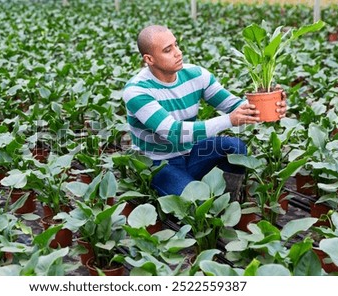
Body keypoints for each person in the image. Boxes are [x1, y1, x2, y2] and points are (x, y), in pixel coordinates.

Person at [122, 25, 287, 199]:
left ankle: (227, 199)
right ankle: (192, 194)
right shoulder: (137, 91)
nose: (178, 53)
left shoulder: (196, 75)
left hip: (193, 153)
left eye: (176, 45)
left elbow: (233, 105)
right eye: (167, 50)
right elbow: (173, 132)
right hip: (157, 162)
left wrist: (268, 103)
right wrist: (229, 120)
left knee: (235, 147)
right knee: (195, 200)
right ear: (149, 59)